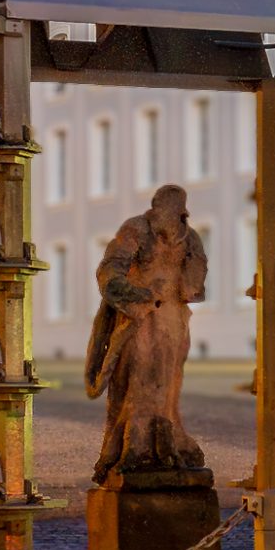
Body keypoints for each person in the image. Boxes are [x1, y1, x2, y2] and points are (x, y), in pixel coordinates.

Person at [85, 184, 208, 484]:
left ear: (180, 213)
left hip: (173, 322)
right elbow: (110, 270)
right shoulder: (136, 229)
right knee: (137, 380)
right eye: (155, 209)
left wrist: (191, 264)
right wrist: (134, 294)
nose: (158, 217)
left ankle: (168, 437)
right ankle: (134, 445)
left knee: (168, 386)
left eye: (166, 212)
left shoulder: (189, 238)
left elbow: (194, 284)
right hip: (140, 319)